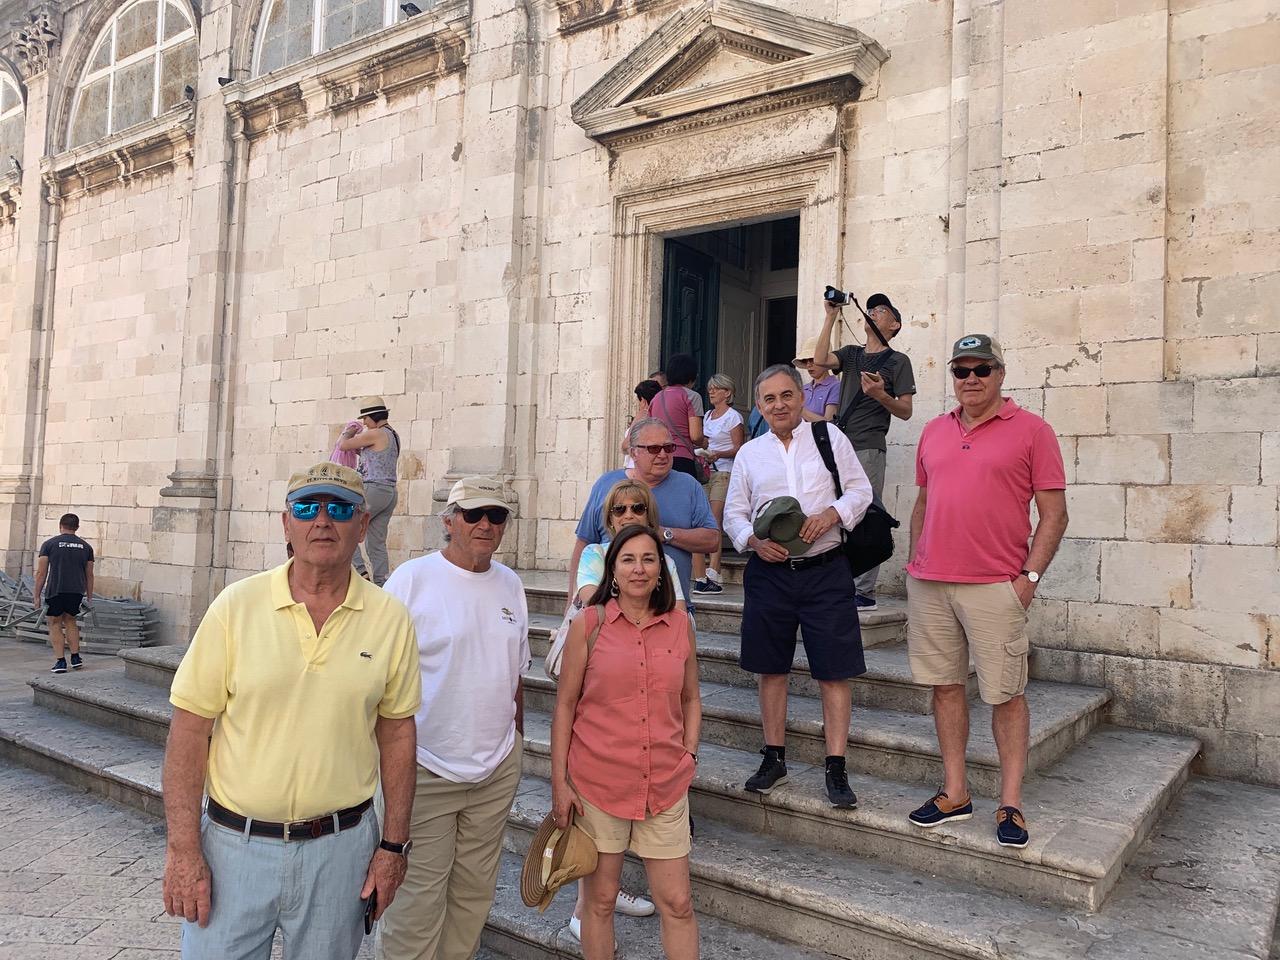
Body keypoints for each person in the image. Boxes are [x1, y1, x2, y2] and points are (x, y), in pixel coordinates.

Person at [163, 462, 421, 960]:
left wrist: (393, 848)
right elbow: (190, 731)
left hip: (341, 851)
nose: (322, 520)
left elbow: (398, 735)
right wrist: (182, 850)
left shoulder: (391, 618)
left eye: (339, 508)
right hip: (234, 849)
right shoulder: (236, 607)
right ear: (287, 524)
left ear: (363, 524)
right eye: (307, 508)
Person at [904, 335, 1068, 850]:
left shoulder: (1033, 431)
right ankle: (956, 792)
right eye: (961, 370)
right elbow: (924, 502)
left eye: (981, 369)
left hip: (996, 586)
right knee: (945, 686)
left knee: (1006, 694)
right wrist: (914, 560)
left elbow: (1054, 515)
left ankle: (1011, 801)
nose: (970, 379)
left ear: (1000, 373)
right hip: (931, 584)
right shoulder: (933, 431)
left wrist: (1029, 581)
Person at [378, 477, 530, 960]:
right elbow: (380, 676)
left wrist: (516, 739)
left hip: (494, 768)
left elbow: (517, 673)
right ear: (449, 521)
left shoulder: (511, 584)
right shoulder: (411, 580)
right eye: (473, 514)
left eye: (496, 516)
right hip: (426, 767)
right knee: (416, 904)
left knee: (471, 899)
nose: (485, 524)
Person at [723, 364, 872, 809]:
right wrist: (751, 541)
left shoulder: (829, 438)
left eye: (786, 395)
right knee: (771, 668)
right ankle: (774, 757)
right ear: (761, 406)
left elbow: (861, 492)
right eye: (769, 399)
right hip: (771, 576)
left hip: (826, 570)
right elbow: (734, 512)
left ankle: (836, 765)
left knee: (834, 670)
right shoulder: (750, 454)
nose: (779, 405)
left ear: (801, 395)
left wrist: (833, 515)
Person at [552, 524, 701, 960]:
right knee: (599, 902)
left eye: (649, 559)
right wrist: (559, 783)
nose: (639, 569)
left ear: (661, 570)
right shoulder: (589, 624)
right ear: (613, 570)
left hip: (666, 785)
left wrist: (689, 752)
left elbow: (691, 696)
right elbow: (564, 707)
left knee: (678, 903)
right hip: (597, 784)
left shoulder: (680, 625)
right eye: (629, 559)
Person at [813, 294, 915, 612]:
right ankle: (837, 578)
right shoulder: (853, 354)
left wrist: (881, 395)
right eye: (871, 309)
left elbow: (906, 411)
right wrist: (830, 316)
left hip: (869, 444)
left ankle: (864, 589)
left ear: (894, 325)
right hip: (840, 445)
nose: (873, 312)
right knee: (832, 510)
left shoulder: (899, 362)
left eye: (881, 310)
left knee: (866, 513)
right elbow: (819, 360)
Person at [569, 418, 720, 607]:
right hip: (610, 615)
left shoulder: (689, 486)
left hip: (670, 610)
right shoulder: (605, 485)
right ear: (634, 452)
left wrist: (664, 534)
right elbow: (583, 542)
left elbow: (712, 540)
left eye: (669, 447)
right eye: (654, 449)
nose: (663, 454)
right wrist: (570, 603)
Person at [338, 397, 401, 586]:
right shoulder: (392, 434)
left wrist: (349, 430)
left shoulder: (376, 433)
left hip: (373, 488)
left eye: (365, 418)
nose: (364, 423)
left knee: (346, 528)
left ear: (374, 417)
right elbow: (370, 455)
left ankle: (360, 573)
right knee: (376, 543)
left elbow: (343, 444)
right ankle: (383, 584)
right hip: (389, 493)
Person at [691, 374, 744, 595]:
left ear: (727, 393)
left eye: (716, 389)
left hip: (723, 471)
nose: (711, 392)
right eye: (710, 388)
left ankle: (714, 569)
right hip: (705, 472)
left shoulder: (734, 417)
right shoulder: (709, 416)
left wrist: (718, 454)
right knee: (703, 519)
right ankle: (707, 570)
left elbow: (739, 447)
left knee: (714, 519)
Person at [34, 513, 95, 674]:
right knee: (71, 621)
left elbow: (41, 572)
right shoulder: (86, 547)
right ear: (77, 527)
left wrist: (36, 595)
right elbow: (90, 574)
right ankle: (75, 657)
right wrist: (89, 596)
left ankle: (61, 662)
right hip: (76, 590)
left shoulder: (49, 544)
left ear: (60, 525)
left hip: (56, 589)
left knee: (54, 623)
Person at [648, 354, 706, 482]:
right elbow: (696, 436)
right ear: (691, 375)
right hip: (682, 459)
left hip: (658, 458)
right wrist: (705, 443)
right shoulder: (692, 396)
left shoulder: (656, 398)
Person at [793, 339, 840, 423]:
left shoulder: (836, 386)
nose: (808, 365)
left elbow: (829, 423)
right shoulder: (804, 389)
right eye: (805, 361)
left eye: (812, 360)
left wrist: (800, 410)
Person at [622, 380, 663, 468]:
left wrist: (637, 419)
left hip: (636, 468)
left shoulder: (642, 416)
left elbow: (626, 446)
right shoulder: (662, 416)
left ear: (643, 400)